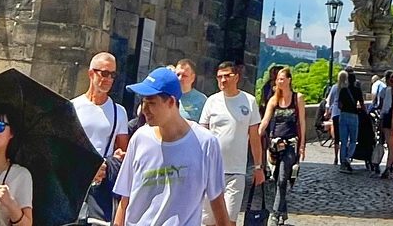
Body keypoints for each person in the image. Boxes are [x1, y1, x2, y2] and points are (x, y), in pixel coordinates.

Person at [113, 67, 231, 226]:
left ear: (171, 102)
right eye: (143, 102)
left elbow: (217, 200)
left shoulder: (206, 143)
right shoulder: (140, 138)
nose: (145, 110)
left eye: (152, 103)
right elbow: (125, 198)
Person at [199, 62, 263, 226]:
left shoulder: (249, 101)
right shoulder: (212, 101)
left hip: (236, 171)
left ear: (236, 77)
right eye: (219, 76)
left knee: (229, 220)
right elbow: (202, 135)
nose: (223, 80)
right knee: (208, 221)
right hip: (211, 170)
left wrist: (258, 167)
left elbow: (254, 137)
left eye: (227, 76)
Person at [73, 51, 130, 223]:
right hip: (75, 181)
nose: (108, 79)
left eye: (112, 75)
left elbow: (122, 152)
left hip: (100, 187)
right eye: (104, 73)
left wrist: (107, 164)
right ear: (91, 73)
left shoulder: (118, 112)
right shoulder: (73, 107)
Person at [258, 67, 305, 225]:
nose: (279, 81)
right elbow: (265, 120)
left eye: (282, 79)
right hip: (275, 144)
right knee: (277, 176)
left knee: (283, 178)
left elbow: (302, 123)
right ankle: (283, 212)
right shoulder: (274, 100)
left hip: (291, 143)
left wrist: (302, 146)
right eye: (278, 79)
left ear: (289, 80)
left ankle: (275, 214)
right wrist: (256, 133)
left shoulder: (298, 98)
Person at [334, 70, 364, 173]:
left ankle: (342, 163)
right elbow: (362, 104)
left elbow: (339, 105)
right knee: (353, 140)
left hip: (343, 115)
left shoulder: (343, 90)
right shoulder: (357, 90)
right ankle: (348, 157)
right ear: (355, 81)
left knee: (343, 141)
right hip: (354, 115)